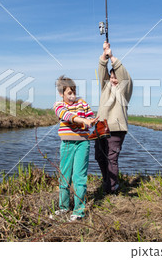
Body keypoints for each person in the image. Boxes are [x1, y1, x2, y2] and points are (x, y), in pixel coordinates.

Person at [52, 75, 97, 221]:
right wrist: (82, 120)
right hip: (66, 144)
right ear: (61, 94)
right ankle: (63, 208)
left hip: (83, 143)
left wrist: (92, 121)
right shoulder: (58, 106)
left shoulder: (83, 103)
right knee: (64, 177)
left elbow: (90, 118)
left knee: (79, 177)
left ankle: (79, 211)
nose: (72, 96)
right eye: (69, 93)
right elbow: (67, 116)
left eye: (74, 92)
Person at [95, 41, 133, 194]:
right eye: (112, 77)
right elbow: (101, 70)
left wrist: (113, 57)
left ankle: (112, 188)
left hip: (116, 128)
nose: (114, 80)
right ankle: (107, 181)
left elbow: (124, 75)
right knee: (99, 156)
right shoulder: (105, 87)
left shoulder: (125, 89)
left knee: (111, 159)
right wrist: (104, 55)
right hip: (101, 126)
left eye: (116, 78)